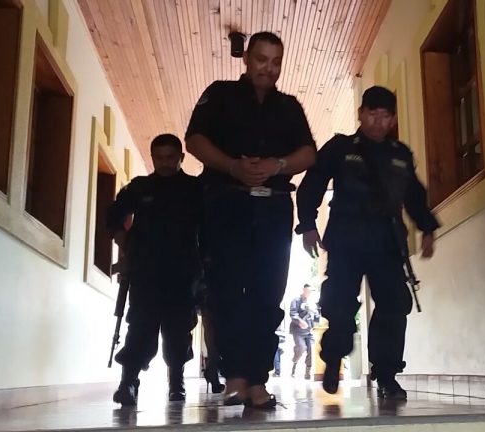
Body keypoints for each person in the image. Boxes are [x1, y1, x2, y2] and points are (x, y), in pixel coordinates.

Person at [184, 31, 316, 409]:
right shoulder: (220, 94)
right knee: (226, 290)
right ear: (246, 59)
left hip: (273, 208)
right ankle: (235, 377)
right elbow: (194, 140)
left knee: (268, 291)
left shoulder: (289, 106)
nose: (268, 68)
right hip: (226, 203)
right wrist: (231, 166)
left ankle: (258, 378)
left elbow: (309, 153)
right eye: (261, 59)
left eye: (276, 62)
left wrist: (278, 165)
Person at [295, 86, 440, 400]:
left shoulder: (400, 154)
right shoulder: (340, 147)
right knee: (340, 304)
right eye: (372, 113)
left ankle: (386, 375)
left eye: (385, 116)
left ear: (393, 119)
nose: (377, 121)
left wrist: (427, 228)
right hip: (346, 239)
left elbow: (414, 196)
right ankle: (334, 356)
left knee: (393, 306)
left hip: (386, 242)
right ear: (361, 114)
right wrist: (307, 224)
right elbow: (313, 183)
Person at [106, 134, 202, 406]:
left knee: (178, 331)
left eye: (170, 157)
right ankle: (128, 382)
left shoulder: (195, 189)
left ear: (181, 157)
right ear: (152, 158)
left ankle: (176, 382)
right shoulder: (140, 187)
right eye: (159, 158)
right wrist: (124, 243)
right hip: (145, 271)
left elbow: (209, 229)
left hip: (183, 273)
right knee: (140, 327)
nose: (165, 163)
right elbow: (113, 216)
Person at [289, 284, 320, 379]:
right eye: (307, 291)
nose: (308, 293)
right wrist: (300, 322)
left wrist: (316, 318)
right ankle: (294, 363)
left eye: (310, 291)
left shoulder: (311, 302)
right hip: (298, 330)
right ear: (303, 290)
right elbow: (293, 313)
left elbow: (316, 316)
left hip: (309, 330)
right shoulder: (296, 300)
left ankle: (307, 372)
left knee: (311, 350)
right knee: (301, 347)